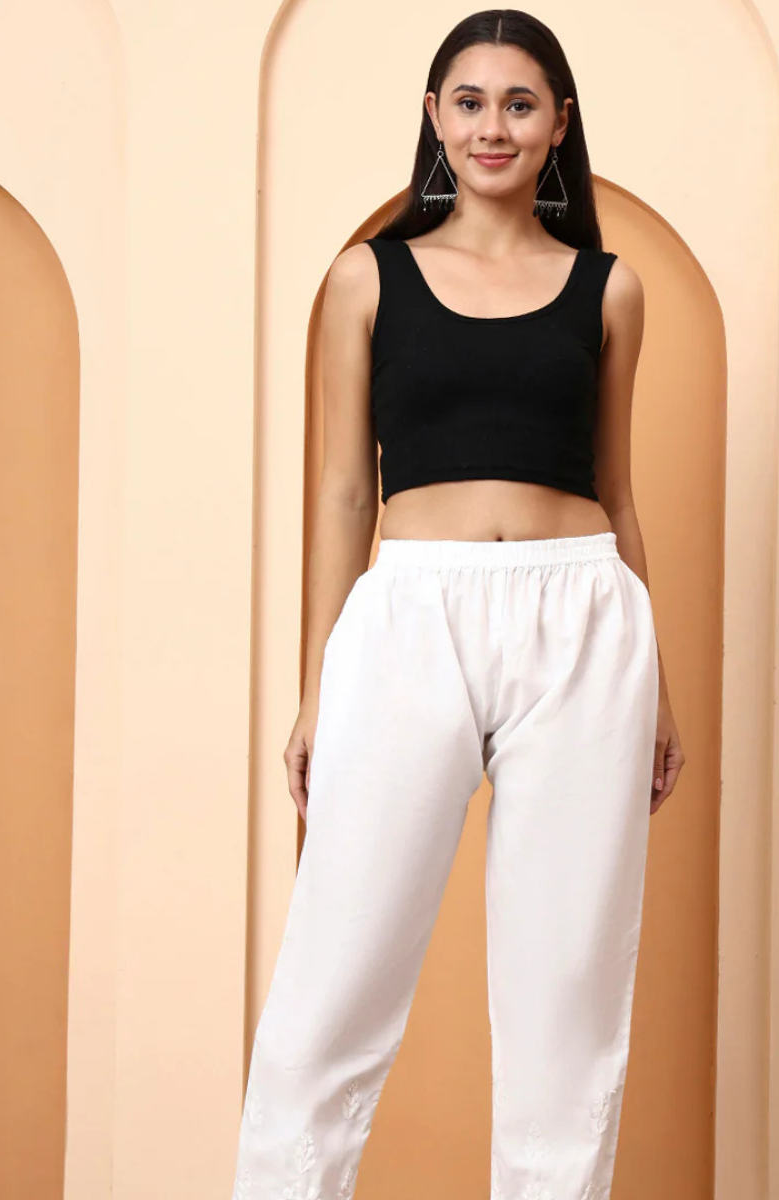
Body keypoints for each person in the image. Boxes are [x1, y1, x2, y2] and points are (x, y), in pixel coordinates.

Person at [231, 9, 685, 1200]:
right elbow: (345, 494)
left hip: (584, 624)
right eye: (471, 101)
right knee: (333, 981)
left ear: (558, 125)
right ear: (434, 116)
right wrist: (318, 692)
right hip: (410, 618)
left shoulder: (611, 288)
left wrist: (657, 688)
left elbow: (617, 491)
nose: (494, 126)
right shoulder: (365, 277)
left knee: (567, 997)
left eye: (519, 104)